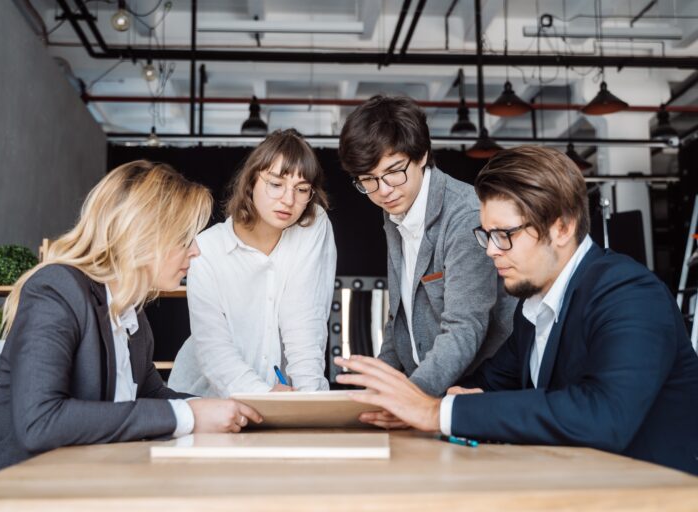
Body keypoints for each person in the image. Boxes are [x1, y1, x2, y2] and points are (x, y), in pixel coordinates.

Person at [336, 146, 698, 475]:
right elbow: (489, 385)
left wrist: (437, 413)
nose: (491, 250)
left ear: (562, 227)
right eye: (487, 235)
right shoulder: (532, 309)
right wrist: (418, 403)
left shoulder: (629, 295)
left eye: (504, 235)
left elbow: (604, 416)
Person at [0, 161, 262, 480]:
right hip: (20, 496)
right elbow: (39, 422)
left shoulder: (131, 315)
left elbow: (152, 395)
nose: (196, 251)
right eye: (185, 238)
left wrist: (236, 409)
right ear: (143, 235)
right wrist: (190, 414)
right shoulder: (56, 290)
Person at [338, 95, 516, 398]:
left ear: (422, 155)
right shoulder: (396, 209)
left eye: (394, 171)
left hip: (474, 390)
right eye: (368, 179)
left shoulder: (465, 215)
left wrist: (409, 397)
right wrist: (376, 389)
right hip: (424, 387)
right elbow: (401, 318)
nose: (383, 191)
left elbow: (465, 328)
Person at [169, 129, 336, 397]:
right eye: (275, 184)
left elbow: (306, 322)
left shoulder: (312, 225)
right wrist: (264, 396)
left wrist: (309, 404)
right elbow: (213, 348)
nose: (289, 200)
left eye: (302, 189)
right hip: (209, 397)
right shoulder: (207, 249)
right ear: (251, 182)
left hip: (284, 400)